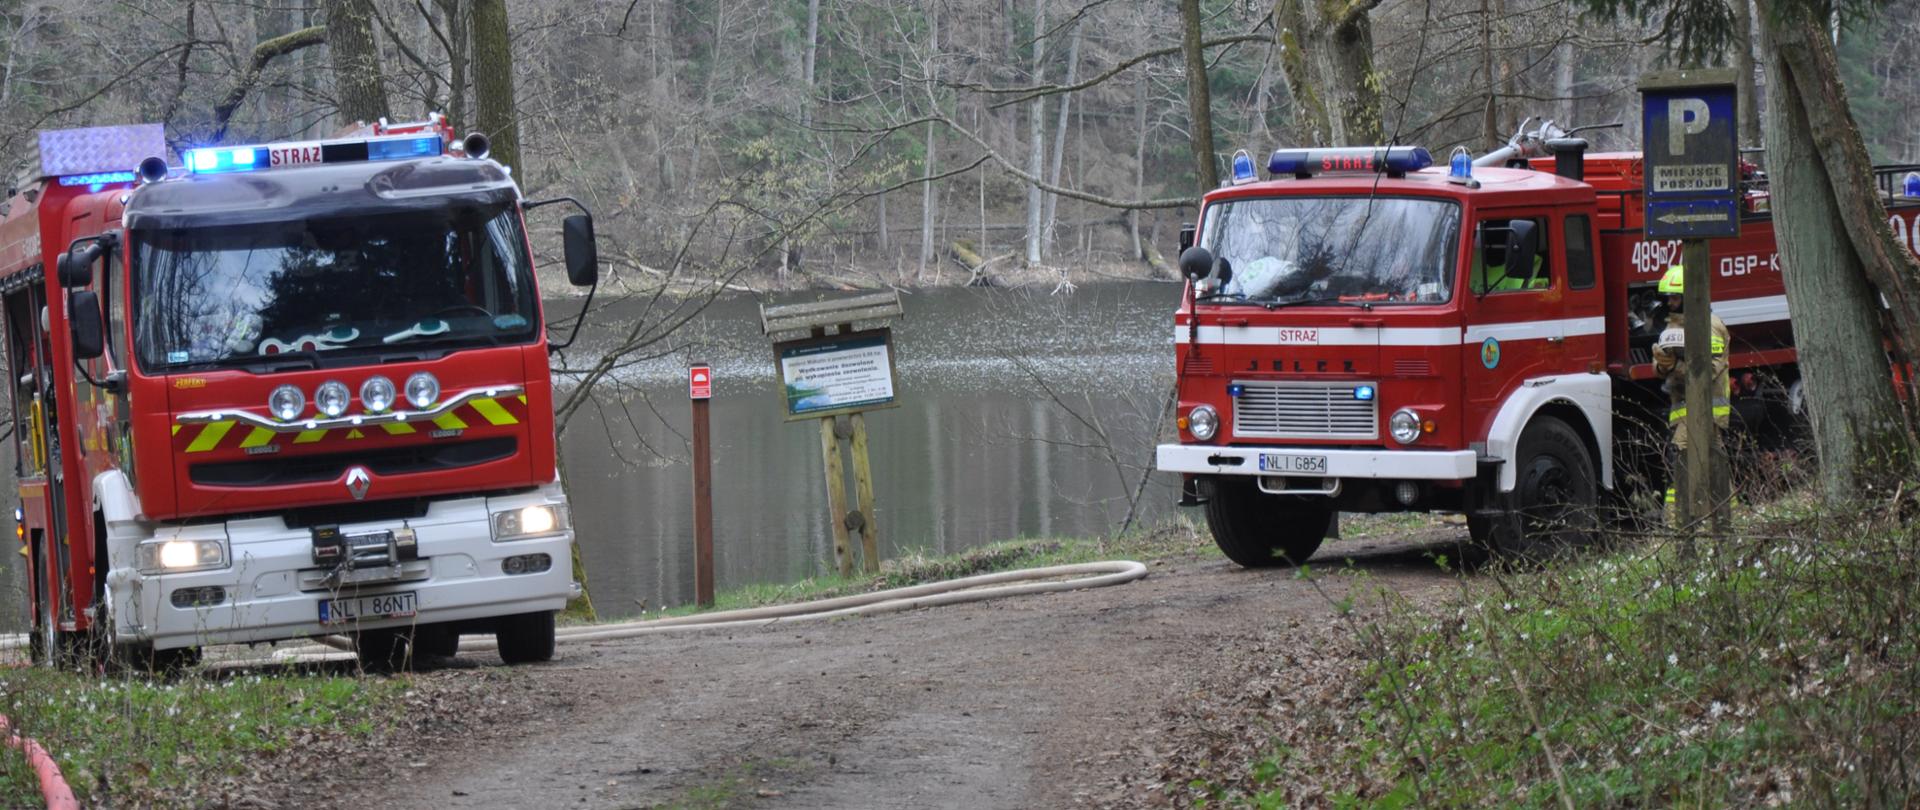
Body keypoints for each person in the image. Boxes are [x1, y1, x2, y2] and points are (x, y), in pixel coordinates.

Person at [1650, 263, 1731, 514]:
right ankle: (1720, 517)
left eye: (1675, 297)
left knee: (1683, 460)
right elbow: (1660, 369)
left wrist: (1675, 365)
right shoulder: (1673, 326)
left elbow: (1708, 372)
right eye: (1669, 298)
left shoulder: (1710, 326)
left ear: (1689, 297)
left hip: (1706, 409)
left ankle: (1678, 521)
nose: (1670, 303)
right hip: (1684, 410)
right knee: (1709, 465)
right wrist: (1661, 364)